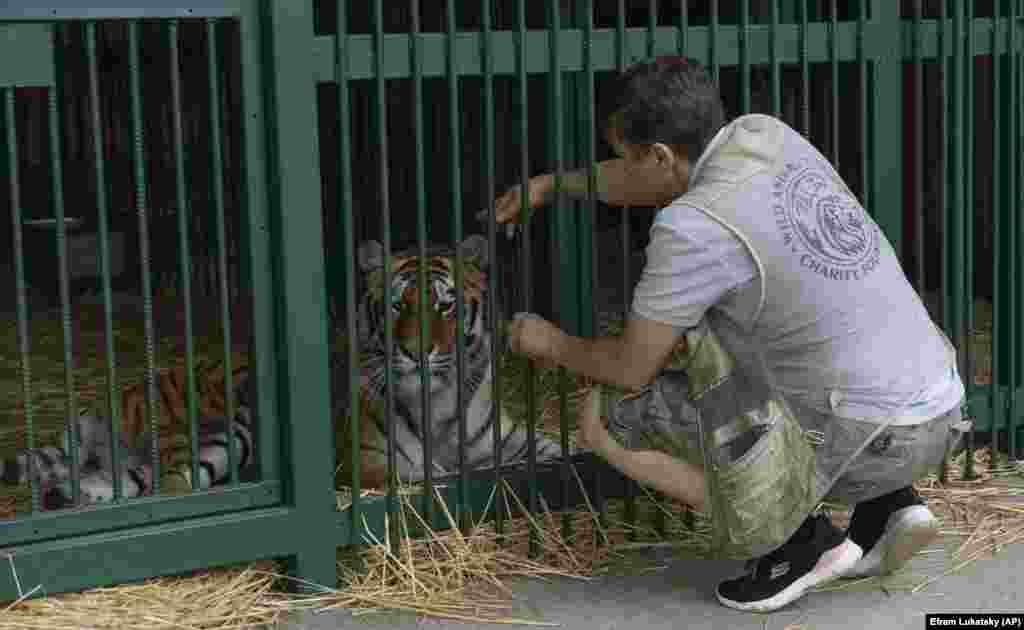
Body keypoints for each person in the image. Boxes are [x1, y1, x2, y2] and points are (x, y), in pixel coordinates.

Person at [479, 57, 968, 613]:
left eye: (623, 155)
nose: (617, 166)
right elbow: (646, 177)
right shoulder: (765, 134)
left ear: (660, 155)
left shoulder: (691, 229)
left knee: (611, 413)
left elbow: (630, 368)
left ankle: (795, 542)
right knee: (778, 331)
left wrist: (547, 343)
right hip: (936, 408)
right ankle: (888, 505)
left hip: (869, 435)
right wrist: (552, 185)